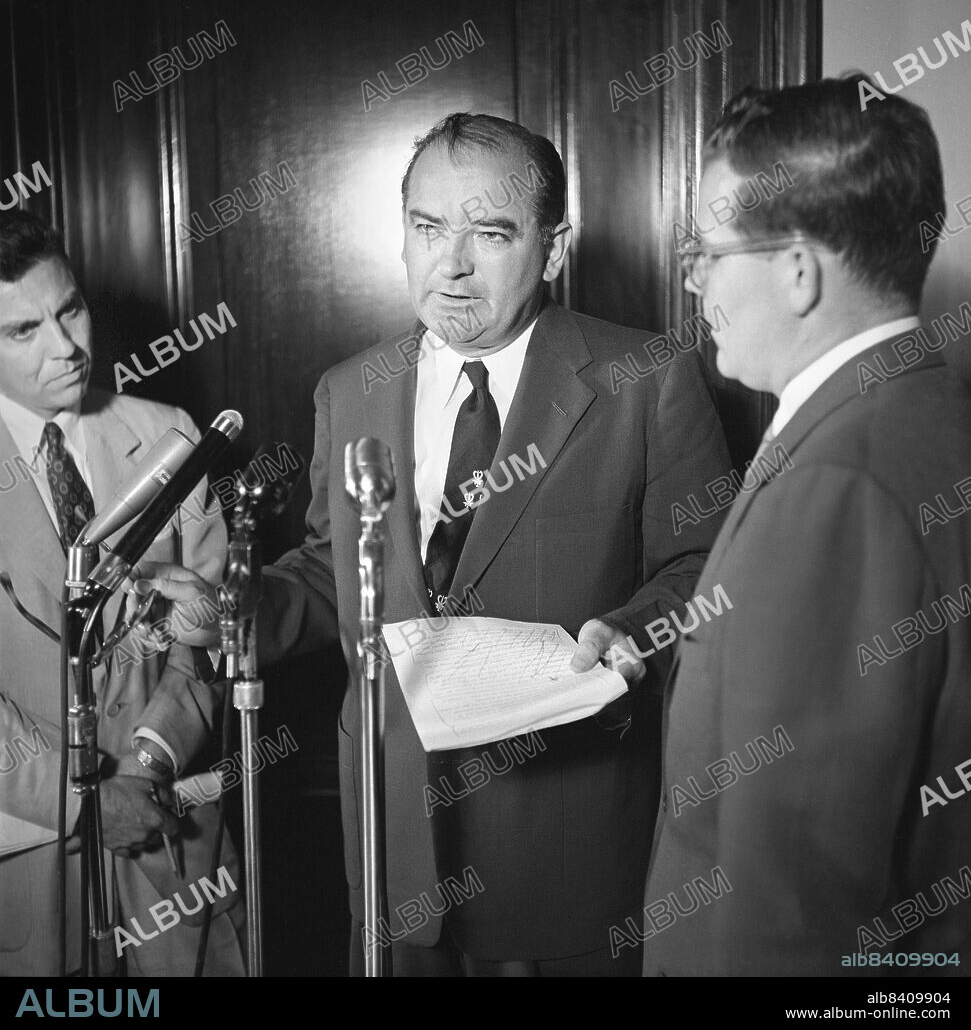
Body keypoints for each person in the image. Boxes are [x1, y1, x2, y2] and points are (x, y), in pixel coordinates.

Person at [141, 113, 730, 976]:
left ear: (553, 246)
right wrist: (235, 608)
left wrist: (632, 630)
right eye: (426, 228)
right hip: (394, 845)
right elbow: (328, 568)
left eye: (488, 233)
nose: (449, 263)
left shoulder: (644, 379)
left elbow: (703, 564)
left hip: (561, 846)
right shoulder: (349, 390)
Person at [639, 75, 971, 976]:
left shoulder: (836, 487)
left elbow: (789, 916)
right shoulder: (925, 410)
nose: (694, 281)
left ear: (797, 270)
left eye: (707, 251)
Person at [0, 210, 244, 976]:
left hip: (173, 845)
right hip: (31, 860)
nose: (66, 347)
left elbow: (210, 627)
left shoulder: (170, 435)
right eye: (23, 330)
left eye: (69, 309)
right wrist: (86, 800)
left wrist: (151, 752)